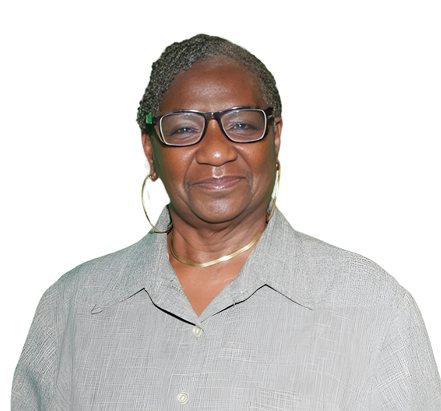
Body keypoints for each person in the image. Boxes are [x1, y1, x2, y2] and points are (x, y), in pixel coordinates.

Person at [11, 33, 440, 410]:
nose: (216, 151)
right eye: (183, 129)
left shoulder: (374, 308)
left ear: (276, 137)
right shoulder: (70, 308)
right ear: (149, 152)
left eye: (241, 124)